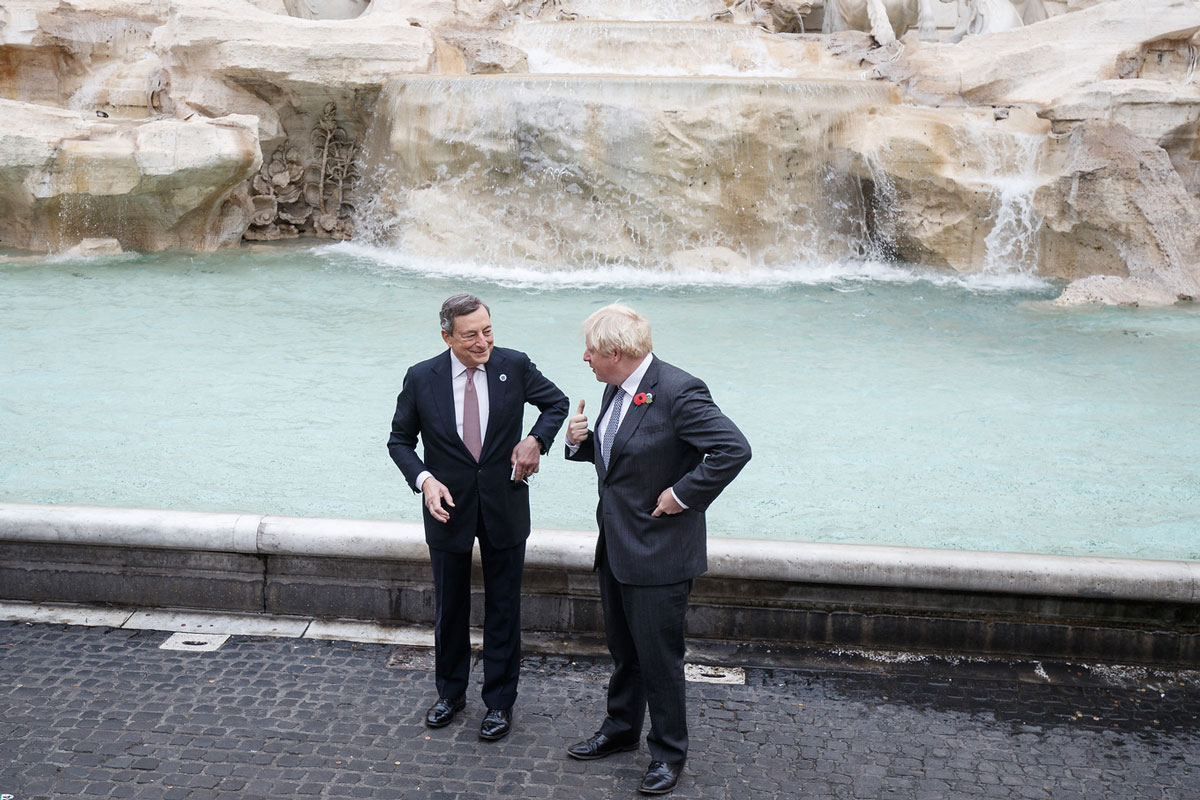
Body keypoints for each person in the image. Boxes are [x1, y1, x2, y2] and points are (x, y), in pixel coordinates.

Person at [563, 303, 751, 795]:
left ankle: (668, 753)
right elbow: (625, 453)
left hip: (659, 554)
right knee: (625, 651)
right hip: (618, 546)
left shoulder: (680, 392)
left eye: (590, 351)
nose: (584, 357)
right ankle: (621, 731)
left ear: (617, 353)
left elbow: (733, 449)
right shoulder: (616, 385)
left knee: (660, 659)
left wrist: (683, 495)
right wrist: (579, 443)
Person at [388, 292, 568, 741]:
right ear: (447, 335)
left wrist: (536, 441)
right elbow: (399, 442)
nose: (483, 342)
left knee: (504, 607)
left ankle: (500, 703)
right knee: (450, 606)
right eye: (471, 335)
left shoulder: (516, 364)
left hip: (505, 503)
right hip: (446, 507)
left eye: (488, 330)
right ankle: (450, 692)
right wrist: (425, 480)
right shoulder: (420, 377)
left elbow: (557, 404)